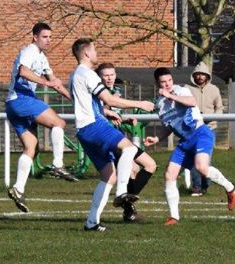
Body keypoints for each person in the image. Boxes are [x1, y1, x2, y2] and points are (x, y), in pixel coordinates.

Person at [69, 38, 157, 231]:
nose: (96, 52)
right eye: (94, 49)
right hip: (95, 126)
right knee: (129, 148)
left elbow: (91, 103)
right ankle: (122, 192)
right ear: (86, 53)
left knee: (109, 176)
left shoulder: (75, 75)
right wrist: (140, 104)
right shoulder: (89, 74)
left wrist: (107, 112)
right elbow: (109, 99)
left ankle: (92, 222)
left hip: (83, 131)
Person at [144, 67, 235, 225]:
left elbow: (192, 102)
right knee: (169, 174)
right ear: (157, 83)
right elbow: (169, 126)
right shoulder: (160, 104)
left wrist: (170, 95)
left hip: (200, 134)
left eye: (169, 81)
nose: (167, 84)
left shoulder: (181, 91)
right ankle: (174, 217)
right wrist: (156, 138)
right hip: (184, 142)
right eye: (163, 82)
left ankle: (230, 188)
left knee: (201, 167)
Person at [6, 23, 76, 213]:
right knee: (58, 123)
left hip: (13, 105)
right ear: (35, 37)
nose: (48, 40)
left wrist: (75, 100)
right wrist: (46, 82)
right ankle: (58, 165)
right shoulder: (29, 50)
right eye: (45, 37)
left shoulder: (43, 58)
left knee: (32, 148)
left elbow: (55, 83)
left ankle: (18, 188)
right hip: (21, 98)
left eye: (50, 37)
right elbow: (23, 71)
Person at [96, 62, 151, 222]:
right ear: (99, 77)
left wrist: (126, 119)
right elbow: (96, 111)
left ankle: (127, 205)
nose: (109, 78)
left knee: (146, 166)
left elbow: (115, 115)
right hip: (110, 138)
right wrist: (107, 111)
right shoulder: (100, 93)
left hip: (119, 136)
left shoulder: (116, 92)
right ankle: (127, 207)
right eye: (105, 75)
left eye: (112, 74)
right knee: (135, 168)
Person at [184, 61, 224, 196]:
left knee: (206, 159)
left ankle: (205, 184)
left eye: (203, 74)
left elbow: (220, 108)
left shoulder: (214, 89)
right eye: (198, 74)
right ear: (194, 76)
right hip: (192, 129)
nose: (200, 77)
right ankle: (197, 186)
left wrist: (211, 118)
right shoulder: (187, 89)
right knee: (194, 158)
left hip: (209, 129)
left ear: (207, 76)